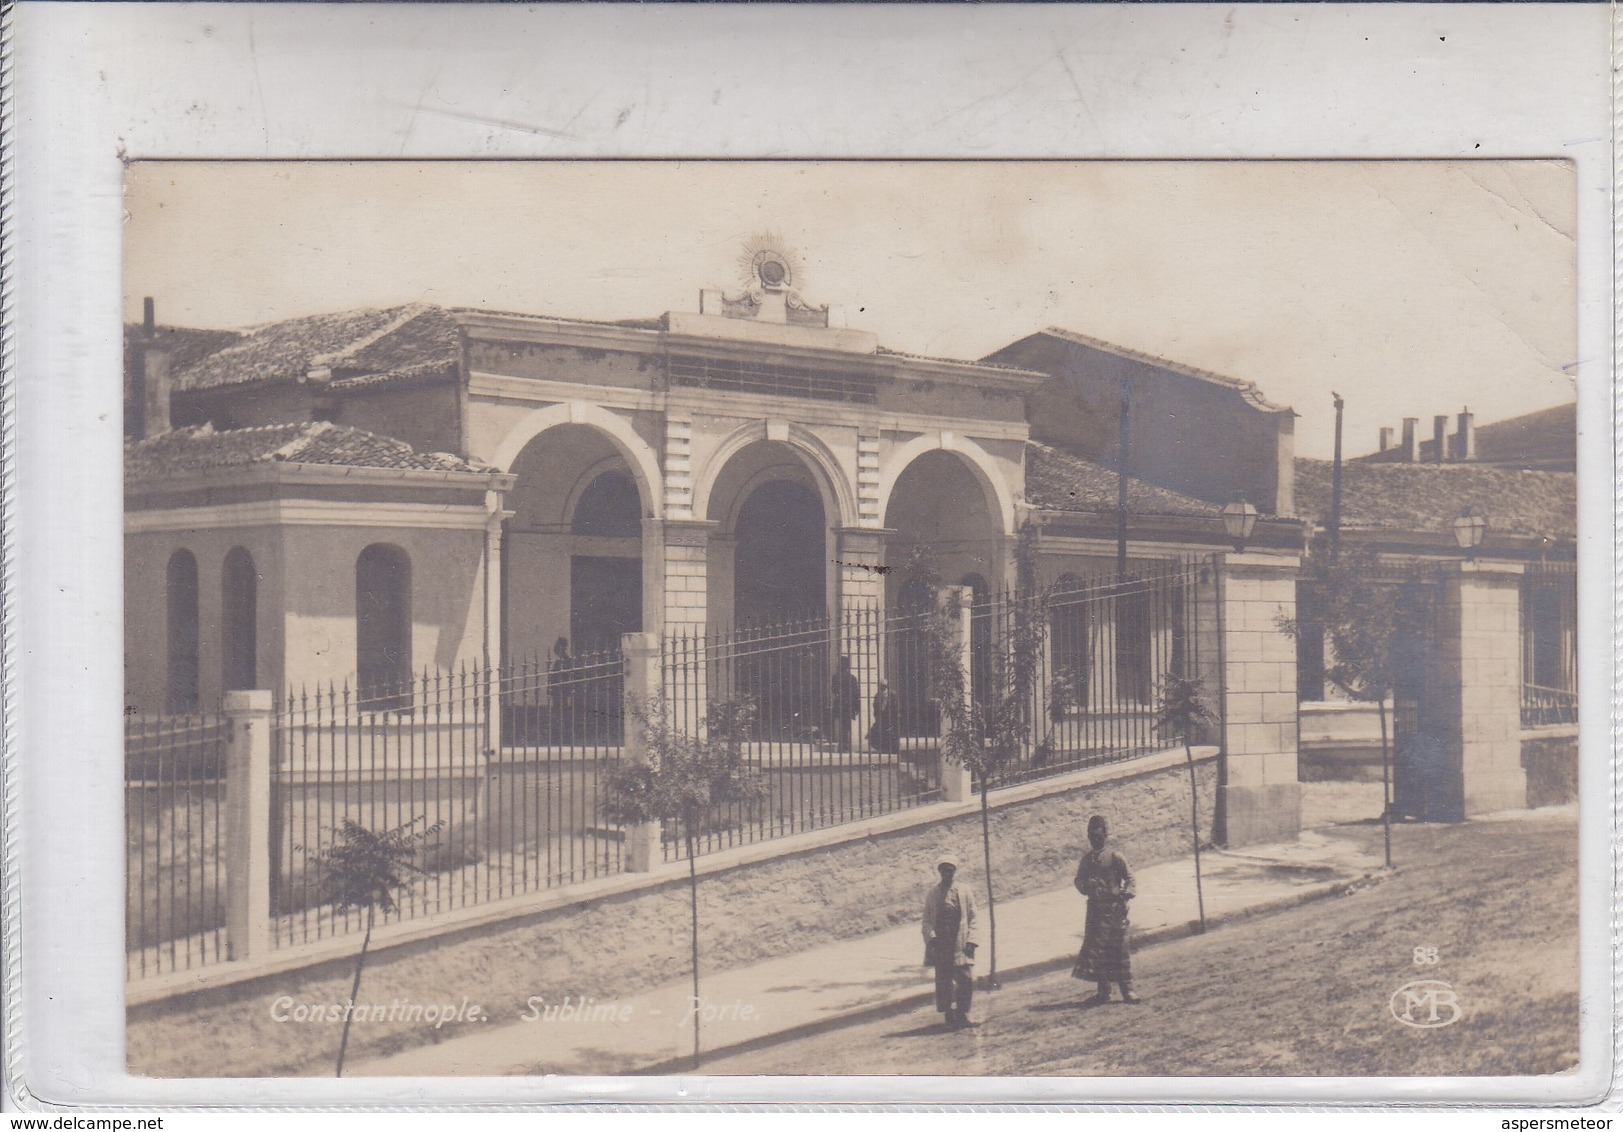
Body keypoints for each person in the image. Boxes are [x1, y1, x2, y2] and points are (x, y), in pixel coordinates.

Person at [1072, 814, 1139, 1004]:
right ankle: (1104, 992)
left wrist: (1125, 895)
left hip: (1114, 911)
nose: (1095, 839)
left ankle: (1128, 991)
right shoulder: (1086, 861)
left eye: (1098, 836)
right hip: (1095, 912)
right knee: (1098, 951)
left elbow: (1130, 879)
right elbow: (1078, 881)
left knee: (1120, 950)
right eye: (1092, 836)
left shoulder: (1115, 857)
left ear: (1105, 835)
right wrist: (1086, 886)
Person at [922, 854, 979, 1030]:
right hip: (942, 943)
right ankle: (949, 1016)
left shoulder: (964, 890)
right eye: (944, 870)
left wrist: (972, 940)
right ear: (939, 871)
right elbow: (926, 921)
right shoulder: (933, 894)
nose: (947, 873)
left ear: (954, 871)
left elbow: (973, 916)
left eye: (950, 870)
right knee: (944, 982)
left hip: (959, 940)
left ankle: (963, 1014)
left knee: (966, 980)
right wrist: (932, 940)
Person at [831, 655, 861, 753]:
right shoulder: (852, 678)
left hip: (840, 704)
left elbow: (834, 690)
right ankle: (845, 746)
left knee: (841, 725)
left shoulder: (836, 677)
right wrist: (857, 707)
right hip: (849, 705)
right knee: (846, 726)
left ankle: (842, 745)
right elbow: (856, 694)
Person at [546, 636, 574, 744]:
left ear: (562, 647)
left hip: (562, 691)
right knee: (559, 712)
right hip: (557, 691)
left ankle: (563, 736)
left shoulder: (566, 661)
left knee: (562, 712)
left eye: (558, 646)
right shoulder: (560, 661)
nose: (556, 649)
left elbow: (563, 675)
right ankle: (559, 735)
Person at [868, 680, 901, 754]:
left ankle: (893, 749)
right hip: (882, 717)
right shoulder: (878, 695)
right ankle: (884, 748)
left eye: (884, 685)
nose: (882, 687)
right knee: (881, 732)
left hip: (891, 717)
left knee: (892, 733)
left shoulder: (892, 694)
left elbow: (896, 705)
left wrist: (895, 715)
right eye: (881, 685)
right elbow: (875, 705)